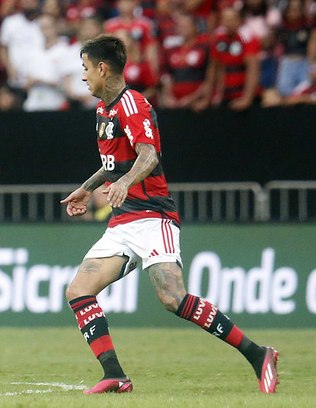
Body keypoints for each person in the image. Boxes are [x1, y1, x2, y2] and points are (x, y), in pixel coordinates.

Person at [59, 35, 278, 395]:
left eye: (85, 68)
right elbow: (114, 163)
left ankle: (258, 354)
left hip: (152, 217)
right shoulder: (104, 110)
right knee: (79, 291)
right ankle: (115, 375)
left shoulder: (133, 105)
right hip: (123, 222)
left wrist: (127, 183)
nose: (83, 77)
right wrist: (88, 187)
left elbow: (148, 156)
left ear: (102, 68)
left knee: (172, 298)